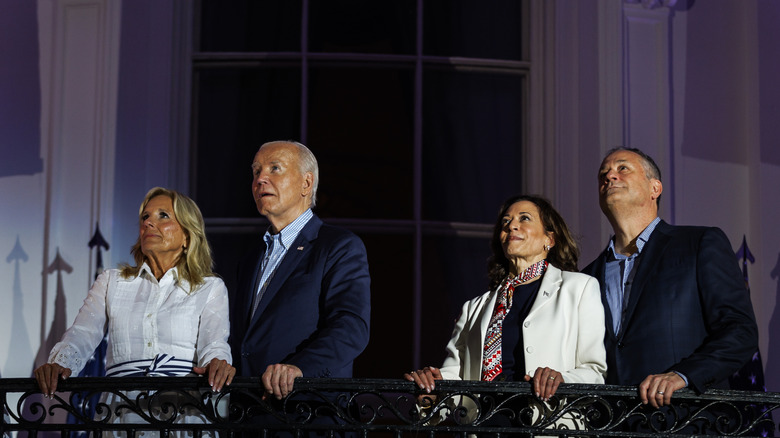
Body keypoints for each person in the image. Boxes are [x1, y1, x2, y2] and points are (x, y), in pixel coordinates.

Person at [34, 187, 235, 435]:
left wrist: (218, 363)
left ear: (186, 236)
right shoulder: (111, 281)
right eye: (145, 217)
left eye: (163, 215)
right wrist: (59, 363)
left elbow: (214, 343)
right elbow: (83, 332)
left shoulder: (209, 287)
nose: (149, 222)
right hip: (121, 412)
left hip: (183, 413)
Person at [405, 195, 606, 429]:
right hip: (486, 428)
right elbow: (455, 378)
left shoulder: (579, 288)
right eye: (506, 222)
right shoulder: (473, 308)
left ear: (549, 239)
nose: (511, 225)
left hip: (549, 427)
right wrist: (433, 389)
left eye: (525, 218)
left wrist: (561, 379)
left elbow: (595, 372)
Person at [582, 147, 758, 409]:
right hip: (614, 422)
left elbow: (739, 331)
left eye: (622, 169)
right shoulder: (586, 278)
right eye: (603, 174)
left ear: (655, 188)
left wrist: (684, 375)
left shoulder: (699, 244)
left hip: (687, 418)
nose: (609, 176)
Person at [229, 140, 371, 401]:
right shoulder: (249, 260)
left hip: (308, 411)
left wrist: (300, 368)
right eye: (256, 171)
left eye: (274, 168)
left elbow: (351, 327)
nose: (261, 179)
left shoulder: (338, 246)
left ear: (307, 183)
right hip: (250, 415)